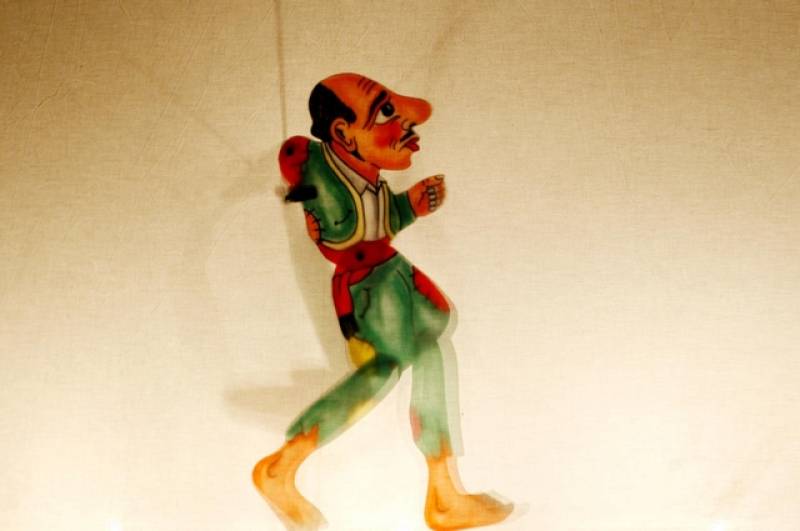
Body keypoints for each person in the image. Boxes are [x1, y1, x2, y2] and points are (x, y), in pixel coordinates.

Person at [252, 73, 512, 530]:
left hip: (391, 276)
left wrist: (410, 205)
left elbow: (382, 219)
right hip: (369, 289)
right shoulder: (328, 184)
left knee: (430, 353)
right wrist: (326, 210)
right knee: (381, 372)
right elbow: (346, 234)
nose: (406, 125)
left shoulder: (365, 175)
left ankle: (444, 491)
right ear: (343, 133)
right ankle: (281, 468)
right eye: (385, 113)